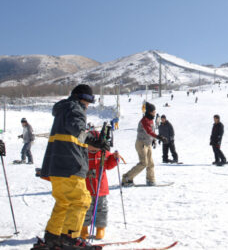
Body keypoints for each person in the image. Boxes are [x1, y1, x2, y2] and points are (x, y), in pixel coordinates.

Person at [34, 84, 109, 250]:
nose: (89, 105)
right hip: (70, 164)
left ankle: (53, 237)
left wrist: (90, 141)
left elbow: (72, 133)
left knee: (64, 201)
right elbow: (77, 128)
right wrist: (93, 140)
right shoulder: (75, 108)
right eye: (89, 101)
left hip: (57, 164)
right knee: (81, 200)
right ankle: (70, 238)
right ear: (84, 98)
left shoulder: (63, 110)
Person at [80, 134, 120, 240]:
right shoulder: (83, 153)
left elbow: (109, 165)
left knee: (101, 209)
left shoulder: (103, 153)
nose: (90, 147)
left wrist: (114, 158)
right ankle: (83, 228)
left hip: (100, 188)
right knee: (86, 209)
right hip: (86, 188)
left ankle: (100, 228)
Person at [122, 102, 163, 187]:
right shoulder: (144, 120)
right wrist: (159, 137)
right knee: (144, 163)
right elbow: (149, 131)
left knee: (150, 163)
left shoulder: (151, 119)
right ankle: (127, 178)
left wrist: (154, 140)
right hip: (141, 144)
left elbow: (152, 131)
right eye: (153, 112)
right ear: (149, 112)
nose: (155, 113)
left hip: (148, 144)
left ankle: (150, 180)